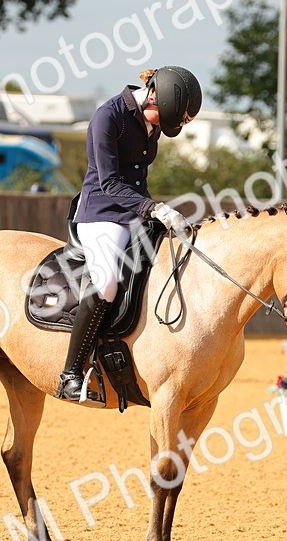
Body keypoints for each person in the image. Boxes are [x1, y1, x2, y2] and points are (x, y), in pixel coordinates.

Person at [56, 65, 202, 404]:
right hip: (101, 213)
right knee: (106, 282)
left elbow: (138, 176)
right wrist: (152, 209)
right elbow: (109, 183)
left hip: (134, 212)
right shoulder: (108, 117)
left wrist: (151, 213)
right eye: (160, 120)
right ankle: (70, 374)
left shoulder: (152, 119)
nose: (158, 128)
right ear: (152, 96)